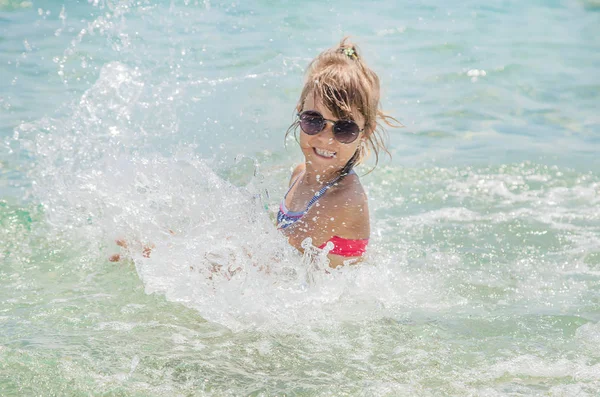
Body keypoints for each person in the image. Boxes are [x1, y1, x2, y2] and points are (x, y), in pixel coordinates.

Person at [277, 38, 397, 268]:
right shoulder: (299, 174)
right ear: (299, 112)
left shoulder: (345, 198)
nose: (325, 138)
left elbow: (277, 254)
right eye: (314, 120)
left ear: (365, 132)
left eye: (344, 129)